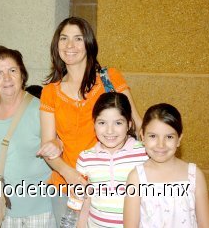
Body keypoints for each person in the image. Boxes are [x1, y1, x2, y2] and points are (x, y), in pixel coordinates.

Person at [37, 16, 141, 226]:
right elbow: (49, 147)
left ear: (89, 43)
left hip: (111, 183)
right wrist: (69, 174)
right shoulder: (50, 91)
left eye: (78, 38)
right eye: (64, 38)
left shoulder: (109, 78)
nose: (70, 45)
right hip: (68, 188)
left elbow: (137, 124)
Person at [0, 46, 55, 227]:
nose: (6, 78)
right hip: (2, 212)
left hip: (39, 212)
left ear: (22, 74)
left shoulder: (40, 109)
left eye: (12, 70)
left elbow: (57, 146)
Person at [123, 103, 209, 227]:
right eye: (153, 136)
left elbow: (206, 225)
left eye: (169, 137)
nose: (161, 145)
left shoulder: (194, 175)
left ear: (179, 139)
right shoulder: (136, 178)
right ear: (143, 136)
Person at [75, 92, 148, 227]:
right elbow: (84, 202)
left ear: (129, 124)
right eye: (102, 123)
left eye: (118, 123)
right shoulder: (85, 158)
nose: (110, 131)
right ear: (94, 124)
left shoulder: (144, 154)